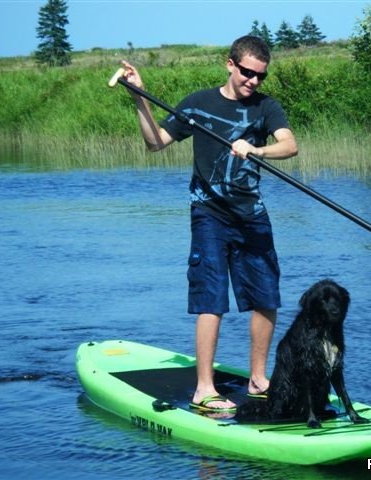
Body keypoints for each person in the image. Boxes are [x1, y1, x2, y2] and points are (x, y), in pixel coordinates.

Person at [120, 35, 298, 413]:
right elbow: (156, 142)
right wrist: (139, 96)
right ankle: (204, 389)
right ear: (229, 64)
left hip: (252, 215)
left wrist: (257, 148)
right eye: (247, 72)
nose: (253, 81)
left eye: (260, 76)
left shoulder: (267, 107)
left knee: (266, 298)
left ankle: (258, 380)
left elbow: (289, 145)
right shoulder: (199, 104)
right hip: (209, 215)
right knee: (211, 298)